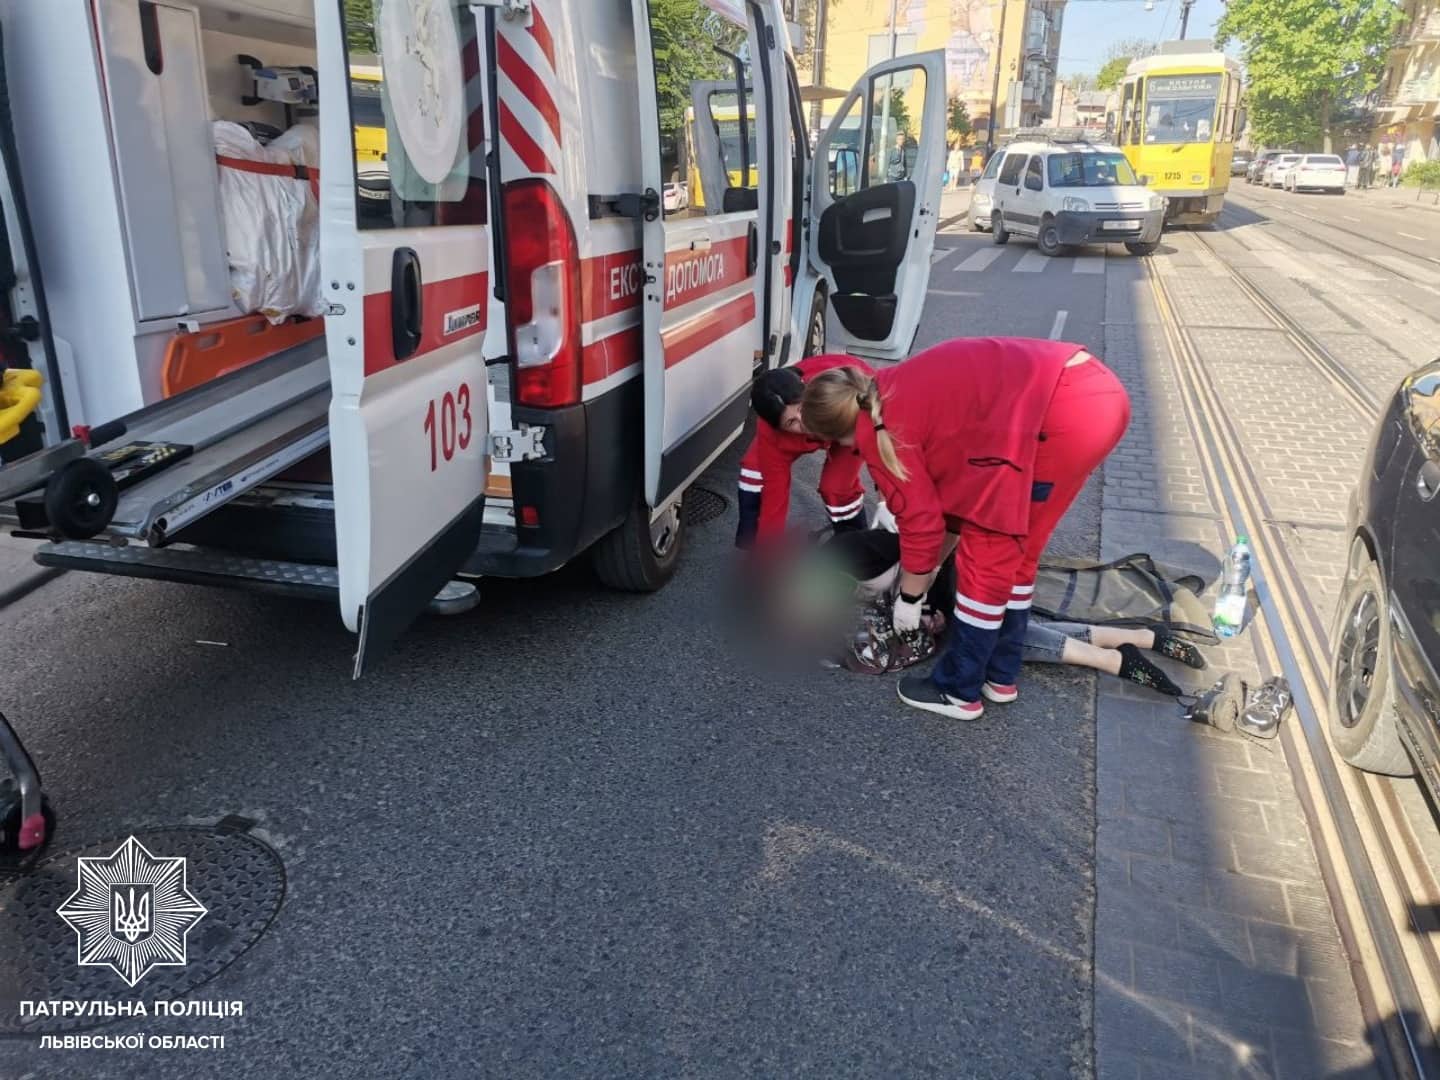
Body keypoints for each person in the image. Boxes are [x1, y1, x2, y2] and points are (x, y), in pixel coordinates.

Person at [799, 337, 1132, 721]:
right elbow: (947, 514)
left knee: (985, 554)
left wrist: (910, 600)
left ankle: (958, 690)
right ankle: (1000, 677)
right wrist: (928, 573)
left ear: (835, 435)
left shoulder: (877, 429)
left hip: (1058, 414)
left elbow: (921, 524)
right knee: (1019, 554)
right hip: (1093, 394)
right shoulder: (890, 387)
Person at [816, 524, 1205, 693]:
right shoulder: (833, 570)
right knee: (1007, 628)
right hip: (935, 575)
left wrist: (926, 610)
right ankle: (1139, 637)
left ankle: (1112, 661)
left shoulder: (840, 560)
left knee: (995, 637)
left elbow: (920, 566)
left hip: (950, 566)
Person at [736, 358, 874, 551]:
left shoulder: (840, 394)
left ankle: (859, 550)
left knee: (836, 487)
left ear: (809, 392)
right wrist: (766, 558)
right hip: (808, 419)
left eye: (801, 409)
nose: (805, 422)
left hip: (846, 408)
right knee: (753, 471)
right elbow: (774, 498)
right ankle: (757, 549)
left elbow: (883, 443)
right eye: (791, 423)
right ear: (779, 428)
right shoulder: (772, 436)